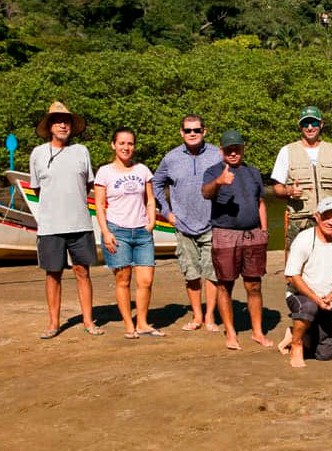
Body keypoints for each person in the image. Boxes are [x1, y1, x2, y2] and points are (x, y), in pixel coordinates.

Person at [30, 101, 101, 338]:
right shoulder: (37, 153)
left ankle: (89, 321)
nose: (63, 124)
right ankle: (53, 324)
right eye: (58, 121)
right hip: (50, 226)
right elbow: (38, 190)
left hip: (80, 223)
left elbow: (89, 185)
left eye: (67, 121)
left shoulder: (82, 151)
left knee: (83, 271)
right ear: (50, 126)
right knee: (53, 273)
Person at [201, 130, 272, 351]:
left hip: (253, 234)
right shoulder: (212, 172)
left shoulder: (253, 173)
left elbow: (260, 202)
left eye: (237, 148)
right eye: (228, 149)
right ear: (221, 150)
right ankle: (230, 332)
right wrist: (219, 182)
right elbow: (205, 192)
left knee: (254, 284)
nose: (233, 153)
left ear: (243, 148)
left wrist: (265, 230)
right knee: (225, 284)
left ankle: (257, 332)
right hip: (225, 234)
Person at [152, 114, 221, 332]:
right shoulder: (171, 158)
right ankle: (197, 316)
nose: (192, 134)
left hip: (212, 223)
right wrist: (166, 211)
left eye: (197, 130)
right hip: (182, 225)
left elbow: (229, 180)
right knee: (191, 274)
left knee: (212, 274)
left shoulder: (217, 155)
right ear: (181, 132)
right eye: (188, 130)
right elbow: (156, 183)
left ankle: (210, 316)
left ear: (204, 131)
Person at [94, 127, 161, 339]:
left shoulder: (142, 170)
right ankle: (129, 325)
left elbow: (150, 199)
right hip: (117, 231)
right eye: (122, 143)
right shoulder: (105, 172)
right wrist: (105, 232)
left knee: (146, 280)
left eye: (130, 143)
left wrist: (151, 222)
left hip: (142, 233)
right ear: (113, 145)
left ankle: (142, 322)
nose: (126, 147)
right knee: (123, 280)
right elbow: (99, 205)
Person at [280, 197, 332, 367]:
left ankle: (297, 332)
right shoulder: (304, 239)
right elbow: (293, 276)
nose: (330, 221)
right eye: (326, 216)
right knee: (308, 307)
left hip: (326, 300)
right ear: (317, 217)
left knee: (325, 355)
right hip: (300, 295)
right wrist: (316, 298)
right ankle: (297, 343)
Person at [270, 106, 332, 251]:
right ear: (300, 126)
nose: (310, 127)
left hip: (329, 221)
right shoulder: (286, 151)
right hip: (300, 223)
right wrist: (289, 191)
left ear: (321, 124)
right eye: (306, 123)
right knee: (297, 268)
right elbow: (276, 188)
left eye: (314, 123)